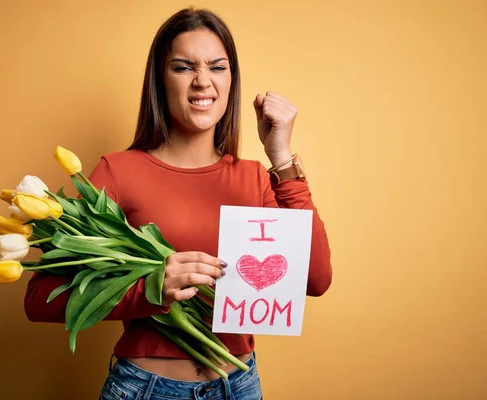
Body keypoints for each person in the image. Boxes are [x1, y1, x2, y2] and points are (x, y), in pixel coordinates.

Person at [24, 7, 332, 400]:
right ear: (160, 80)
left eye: (217, 67)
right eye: (183, 67)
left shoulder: (255, 178)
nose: (203, 82)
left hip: (238, 386)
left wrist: (282, 158)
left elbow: (316, 280)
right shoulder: (118, 173)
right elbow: (39, 298)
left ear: (231, 81)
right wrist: (151, 287)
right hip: (145, 390)